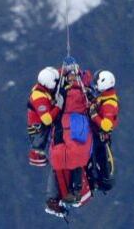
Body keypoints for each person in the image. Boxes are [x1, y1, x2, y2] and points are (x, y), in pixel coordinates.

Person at [48, 57, 93, 207]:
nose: (72, 78)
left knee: (77, 160)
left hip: (77, 128)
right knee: (61, 160)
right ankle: (64, 191)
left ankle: (77, 189)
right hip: (64, 127)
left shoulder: (83, 89)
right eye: (70, 76)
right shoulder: (62, 88)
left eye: (74, 75)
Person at [87, 70, 119, 192]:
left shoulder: (110, 102)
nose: (95, 85)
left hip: (99, 137)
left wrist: (94, 115)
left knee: (95, 160)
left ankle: (98, 181)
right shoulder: (104, 97)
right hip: (95, 135)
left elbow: (106, 125)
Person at [27, 67, 64, 167]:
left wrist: (65, 70)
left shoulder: (42, 88)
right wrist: (58, 106)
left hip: (42, 129)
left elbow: (54, 75)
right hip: (39, 132)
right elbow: (47, 120)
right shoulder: (39, 97)